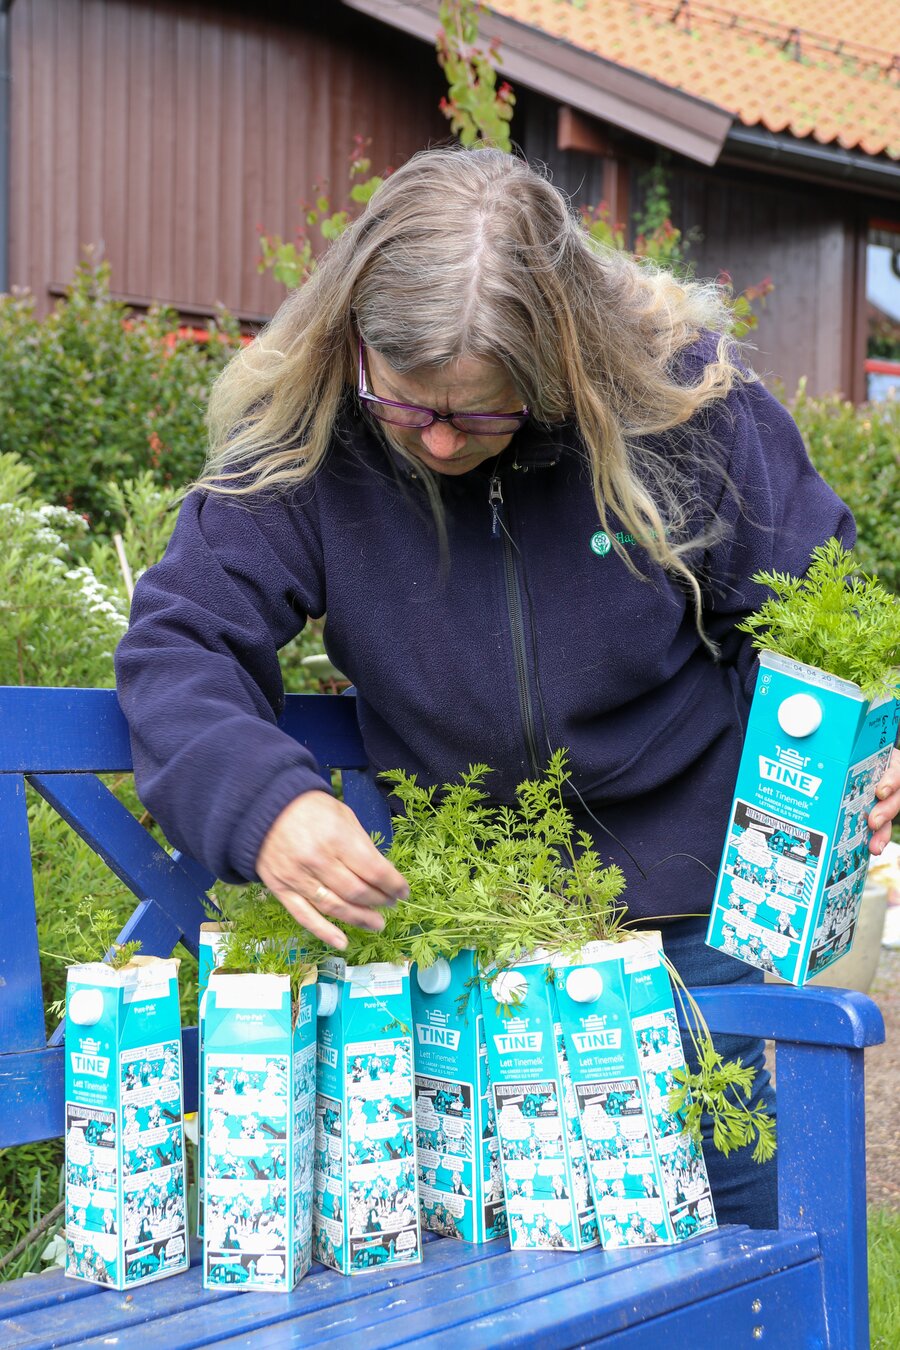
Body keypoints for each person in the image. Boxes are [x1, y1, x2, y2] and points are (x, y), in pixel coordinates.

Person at [114, 146, 900, 1229]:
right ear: (356, 342)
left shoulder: (684, 405)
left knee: (742, 1256)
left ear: (560, 360)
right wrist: (266, 805)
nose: (438, 439)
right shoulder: (309, 438)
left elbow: (818, 604)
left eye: (481, 415)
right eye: (407, 405)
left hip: (699, 936)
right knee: (503, 1263)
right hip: (468, 945)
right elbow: (179, 644)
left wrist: (868, 736)